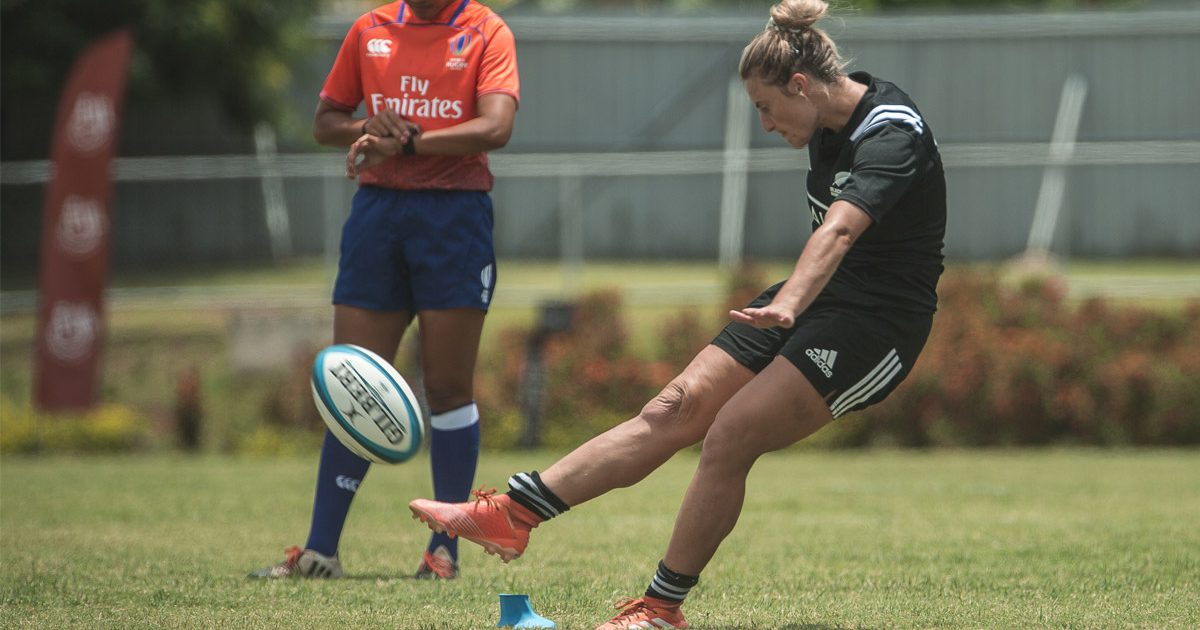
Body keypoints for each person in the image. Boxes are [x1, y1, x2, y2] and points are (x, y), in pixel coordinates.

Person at [408, 0, 945, 625]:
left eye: (766, 108)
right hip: (810, 299)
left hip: (876, 324)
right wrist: (793, 300)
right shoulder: (827, 119)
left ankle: (661, 609)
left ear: (801, 85)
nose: (765, 125)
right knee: (675, 406)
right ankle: (513, 514)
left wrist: (791, 302)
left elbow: (841, 231)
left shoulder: (891, 133)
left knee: (731, 433)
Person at [250, 0, 519, 581]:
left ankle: (443, 551)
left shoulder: (485, 30)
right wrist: (365, 127)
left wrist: (411, 142)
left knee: (447, 386)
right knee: (353, 380)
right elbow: (326, 122)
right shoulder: (369, 29)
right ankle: (320, 550)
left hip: (455, 217)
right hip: (377, 213)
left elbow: (496, 127)